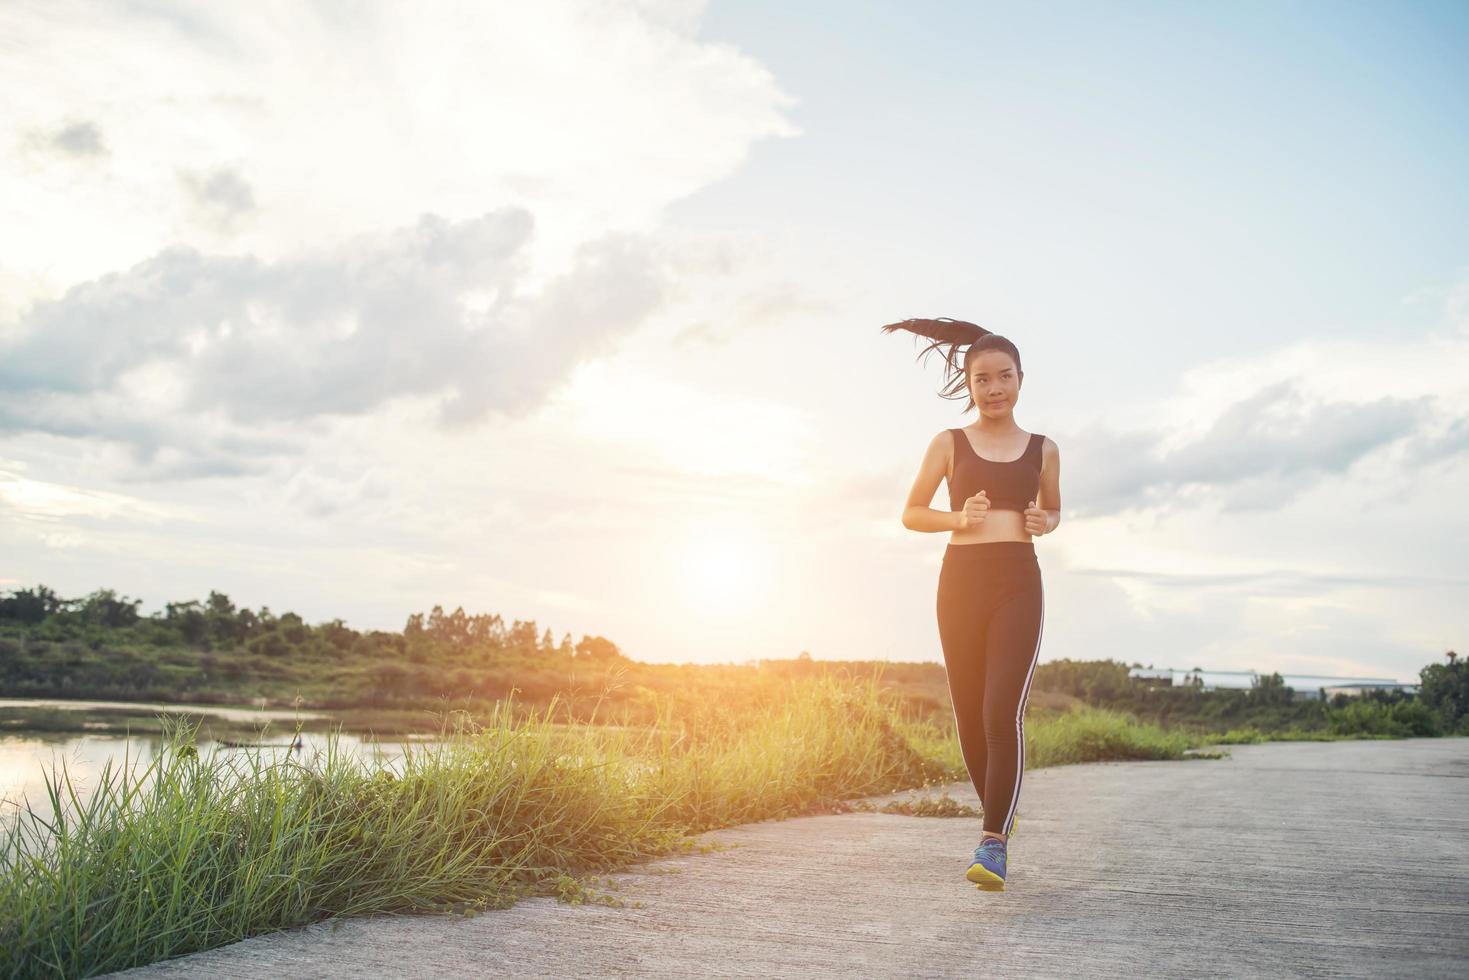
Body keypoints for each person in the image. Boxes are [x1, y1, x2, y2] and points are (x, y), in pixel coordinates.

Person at [881, 317, 1062, 892]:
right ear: (968, 384)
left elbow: (1053, 511)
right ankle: (1001, 817)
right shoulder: (948, 444)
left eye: (1004, 376)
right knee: (967, 715)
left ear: (1021, 379)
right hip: (960, 580)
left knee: (999, 714)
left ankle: (992, 841)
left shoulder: (1043, 448)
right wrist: (958, 518)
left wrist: (1045, 520)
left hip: (1017, 581)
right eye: (982, 379)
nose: (994, 388)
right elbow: (912, 512)